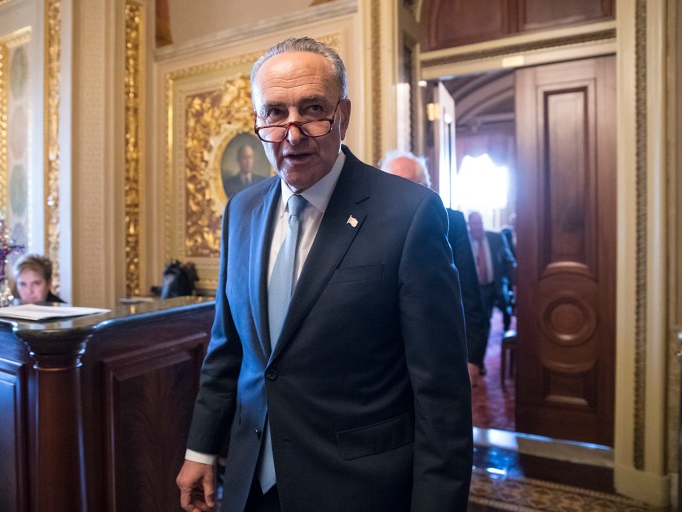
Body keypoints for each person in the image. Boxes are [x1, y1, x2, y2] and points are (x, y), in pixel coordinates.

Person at [176, 37, 472, 512]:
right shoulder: (241, 211)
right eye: (274, 113)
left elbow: (442, 398)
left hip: (358, 489)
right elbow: (228, 349)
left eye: (312, 109)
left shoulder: (410, 214)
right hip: (251, 483)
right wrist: (200, 448)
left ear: (343, 115)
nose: (292, 134)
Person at [380, 150, 486, 387]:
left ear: (425, 187)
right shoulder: (369, 226)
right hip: (387, 364)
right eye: (390, 185)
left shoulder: (452, 223)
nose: (398, 193)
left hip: (441, 352)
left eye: (407, 184)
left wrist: (472, 357)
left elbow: (468, 292)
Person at [467, 211, 516, 371]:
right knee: (483, 322)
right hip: (476, 289)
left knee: (498, 316)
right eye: (474, 223)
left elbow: (509, 261)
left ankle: (506, 334)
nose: (478, 227)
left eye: (480, 223)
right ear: (469, 225)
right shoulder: (464, 241)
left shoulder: (495, 238)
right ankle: (478, 360)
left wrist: (514, 283)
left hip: (495, 286)